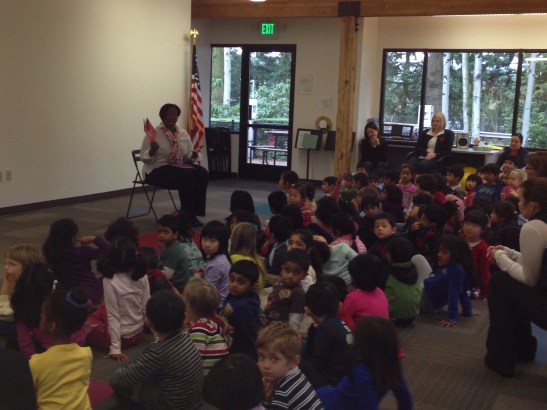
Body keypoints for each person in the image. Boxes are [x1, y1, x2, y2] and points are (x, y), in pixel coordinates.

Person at [485, 178, 547, 377]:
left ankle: (501, 357)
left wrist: (498, 256)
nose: (517, 203)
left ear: (532, 205)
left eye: (520, 199)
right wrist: (509, 253)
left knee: (499, 282)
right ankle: (523, 349)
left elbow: (529, 278)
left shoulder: (534, 227)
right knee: (508, 283)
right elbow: (539, 263)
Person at [109, 290, 203, 409]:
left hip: (173, 406)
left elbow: (119, 379)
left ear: (148, 321)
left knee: (134, 382)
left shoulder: (158, 352)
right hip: (194, 403)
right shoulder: (186, 336)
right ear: (184, 317)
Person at [316, 316, 413, 410]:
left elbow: (368, 406)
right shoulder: (391, 367)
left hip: (329, 404)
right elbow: (406, 400)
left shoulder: (361, 372)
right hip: (332, 397)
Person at [140, 103, 209, 225]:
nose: (172, 117)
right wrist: (152, 151)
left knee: (202, 173)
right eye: (169, 115)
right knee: (186, 176)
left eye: (175, 114)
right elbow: (144, 158)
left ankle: (194, 213)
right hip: (156, 169)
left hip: (178, 166)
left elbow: (188, 155)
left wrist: (193, 156)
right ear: (162, 117)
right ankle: (186, 215)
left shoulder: (182, 133)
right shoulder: (153, 133)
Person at [87, 237, 150, 361]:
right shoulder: (142, 277)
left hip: (120, 338)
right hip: (138, 333)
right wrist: (158, 337)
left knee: (85, 325)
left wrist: (115, 348)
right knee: (103, 308)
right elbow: (148, 307)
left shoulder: (109, 281)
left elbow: (113, 315)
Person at [29, 288, 92, 410]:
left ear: (51, 326)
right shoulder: (86, 354)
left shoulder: (36, 363)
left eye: (42, 314)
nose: (40, 317)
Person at [11, 263, 87, 359]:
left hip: (52, 354)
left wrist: (36, 363)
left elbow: (27, 348)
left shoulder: (27, 312)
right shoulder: (65, 300)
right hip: (78, 344)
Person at [256, 322, 324, 410]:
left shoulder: (284, 391)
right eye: (262, 357)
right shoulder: (296, 375)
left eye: (274, 359)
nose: (265, 365)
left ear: (293, 362)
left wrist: (265, 400)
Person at [42, 218, 108, 304]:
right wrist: (94, 239)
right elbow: (109, 251)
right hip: (92, 292)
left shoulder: (50, 253)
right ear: (73, 238)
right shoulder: (82, 251)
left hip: (68, 294)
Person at [300, 282, 353, 388]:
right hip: (346, 378)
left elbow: (316, 365)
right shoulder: (338, 322)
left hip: (332, 384)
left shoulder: (325, 330)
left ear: (307, 310)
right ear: (339, 306)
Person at [421, 235, 474, 328]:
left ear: (455, 255)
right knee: (418, 260)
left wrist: (451, 318)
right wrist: (467, 310)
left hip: (425, 300)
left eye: (444, 252)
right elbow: (463, 290)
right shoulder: (456, 267)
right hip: (430, 295)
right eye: (439, 251)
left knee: (417, 258)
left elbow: (454, 294)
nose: (439, 254)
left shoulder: (455, 270)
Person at [0, 244, 44, 346]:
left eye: (12, 264)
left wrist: (6, 288)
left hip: (33, 335)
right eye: (6, 263)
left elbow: (5, 315)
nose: (6, 267)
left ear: (27, 268)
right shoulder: (34, 283)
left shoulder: (30, 291)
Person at [183, 279, 229, 374]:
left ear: (188, 306)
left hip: (203, 378)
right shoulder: (215, 323)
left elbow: (192, 361)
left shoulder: (200, 328)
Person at [222, 260, 261, 360]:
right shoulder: (236, 295)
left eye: (241, 282)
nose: (234, 284)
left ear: (252, 286)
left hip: (240, 349)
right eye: (232, 279)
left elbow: (249, 333)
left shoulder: (243, 307)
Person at [261, 250, 309, 331]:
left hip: (279, 332)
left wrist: (289, 335)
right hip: (266, 324)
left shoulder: (298, 293)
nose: (290, 276)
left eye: (296, 273)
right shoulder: (280, 283)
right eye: (287, 270)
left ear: (304, 276)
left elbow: (295, 320)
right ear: (282, 269)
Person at [342, 254, 389, 331]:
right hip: (384, 333)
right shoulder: (380, 291)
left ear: (353, 277)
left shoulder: (352, 298)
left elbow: (344, 319)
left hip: (364, 336)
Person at [384, 237, 424, 326]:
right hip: (413, 314)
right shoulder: (414, 269)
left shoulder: (387, 272)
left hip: (393, 315)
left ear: (389, 255)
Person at [157, 214, 192, 291]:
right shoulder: (170, 246)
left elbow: (167, 275)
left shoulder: (172, 251)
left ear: (175, 234)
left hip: (178, 286)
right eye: (159, 232)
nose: (161, 235)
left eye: (165, 232)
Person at [199, 220, 231, 306]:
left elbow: (207, 293)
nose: (207, 244)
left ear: (222, 243)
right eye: (205, 239)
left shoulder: (216, 264)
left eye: (213, 241)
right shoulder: (220, 256)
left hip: (217, 305)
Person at [462, 210, 492, 299]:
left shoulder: (483, 248)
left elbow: (484, 273)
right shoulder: (461, 241)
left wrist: (484, 294)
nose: (469, 228)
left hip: (474, 288)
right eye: (467, 224)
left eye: (475, 225)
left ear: (483, 229)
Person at [230, 222, 267, 292]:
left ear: (235, 239)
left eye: (232, 235)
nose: (230, 237)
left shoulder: (233, 259)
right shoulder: (259, 260)